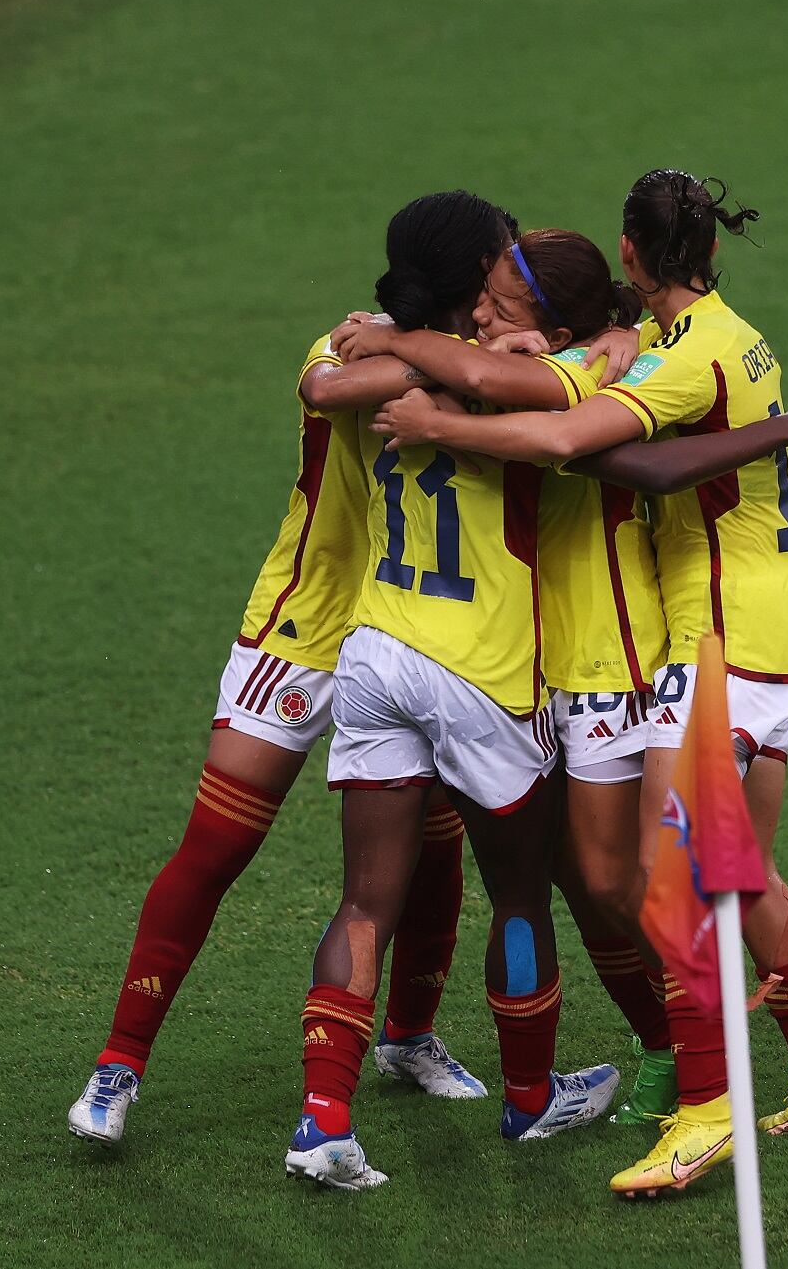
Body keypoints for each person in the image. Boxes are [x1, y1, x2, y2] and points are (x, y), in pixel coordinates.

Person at [366, 169, 788, 1197]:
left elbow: (580, 443)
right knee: (741, 875)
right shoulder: (726, 335)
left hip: (719, 636)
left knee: (668, 880)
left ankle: (702, 1110)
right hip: (768, 626)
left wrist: (440, 418)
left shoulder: (678, 360)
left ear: (632, 257)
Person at [62, 192, 518, 1148]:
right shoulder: (344, 350)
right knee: (217, 845)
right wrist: (441, 352)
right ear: (471, 274)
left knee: (433, 848)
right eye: (500, 262)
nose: (507, 280)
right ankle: (118, 1063)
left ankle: (410, 1036)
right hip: (304, 630)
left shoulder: (456, 355)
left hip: (411, 636)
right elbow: (326, 391)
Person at [285, 206, 624, 1190]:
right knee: (519, 892)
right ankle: (529, 1098)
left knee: (363, 898)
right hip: (486, 670)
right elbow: (582, 391)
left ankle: (321, 1121)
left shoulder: (377, 366)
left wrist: (393, 345)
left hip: (379, 648)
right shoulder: (523, 378)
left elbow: (334, 380)